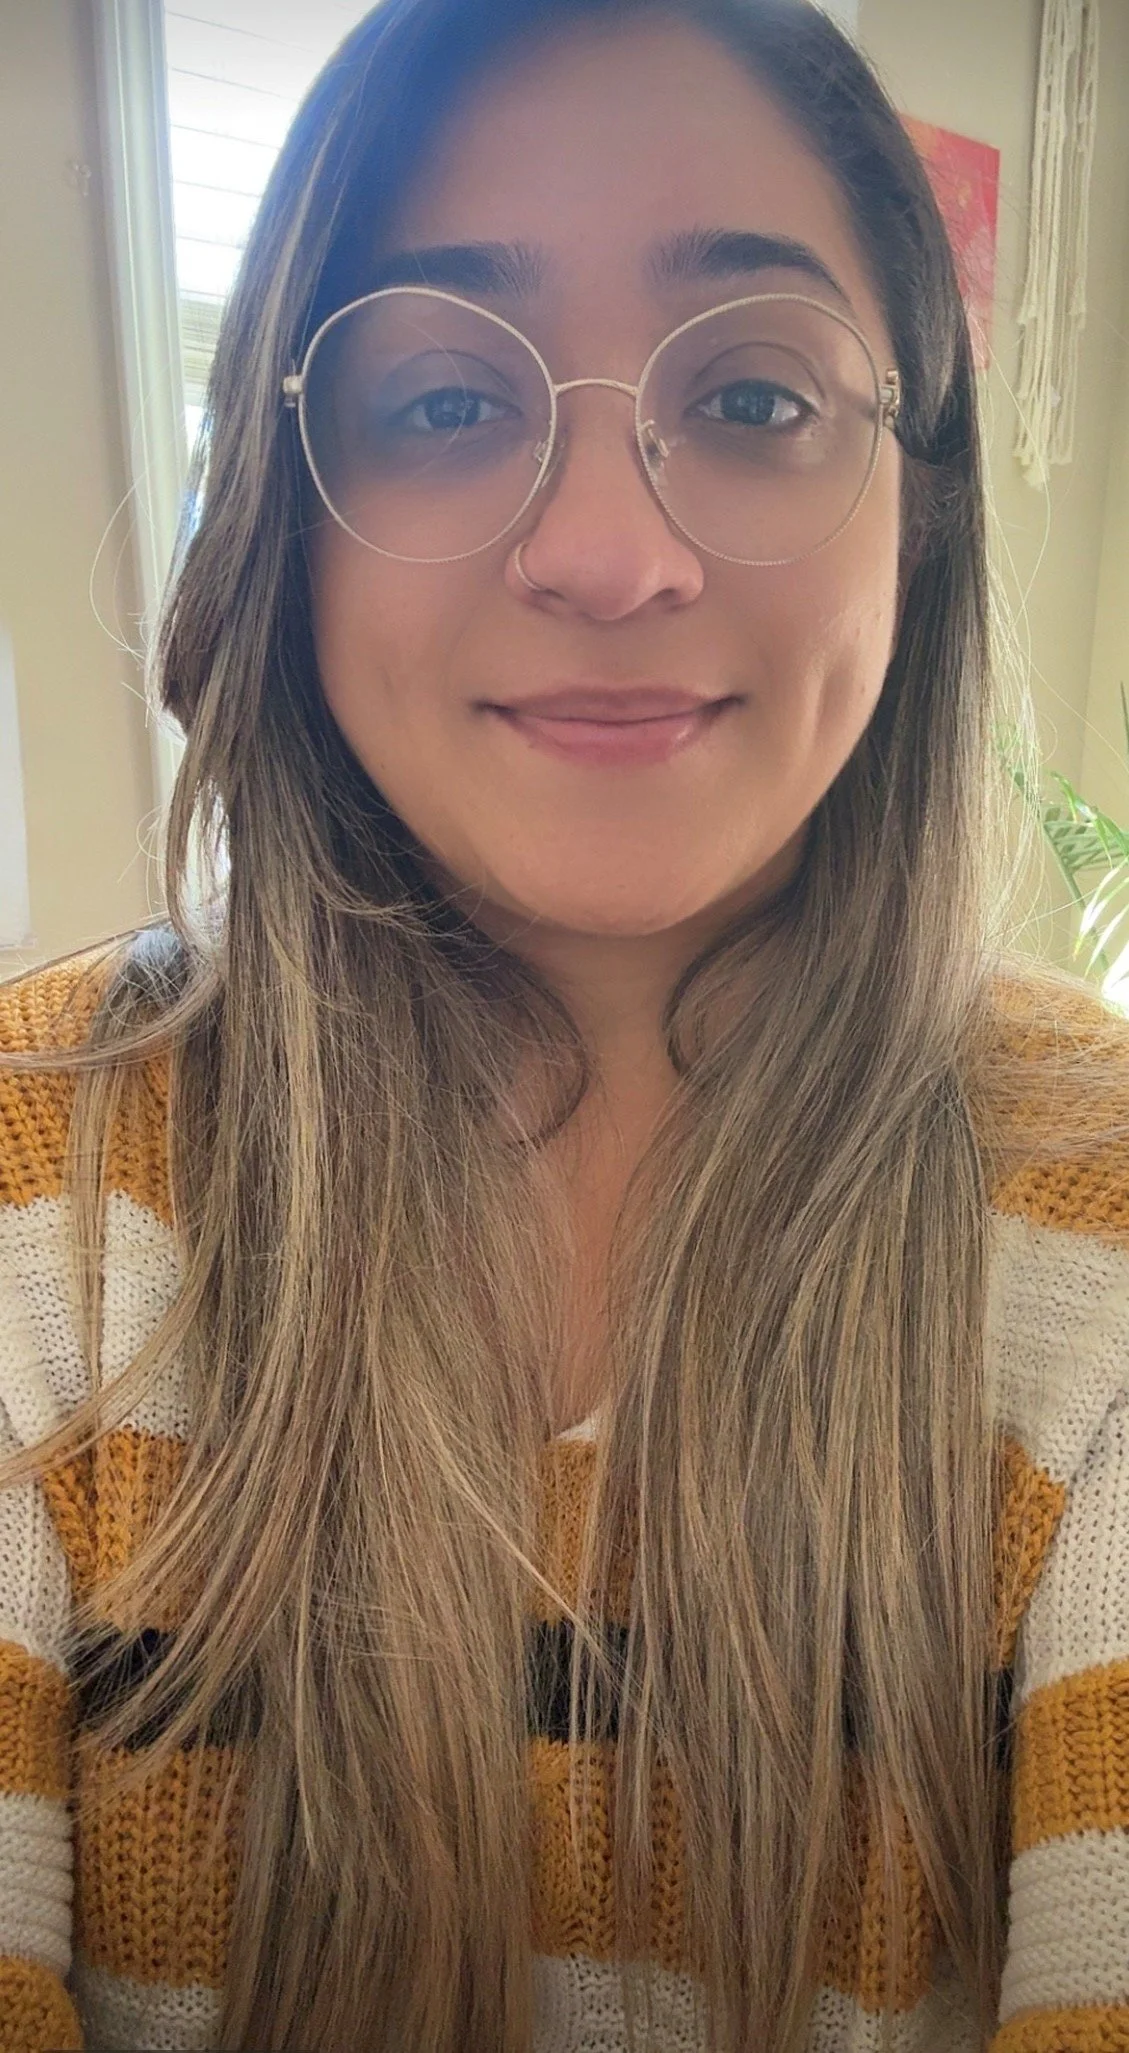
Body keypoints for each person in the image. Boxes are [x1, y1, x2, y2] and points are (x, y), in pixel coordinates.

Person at [1, 0, 1127, 2047]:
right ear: (287, 504)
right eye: (444, 401)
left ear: (924, 501)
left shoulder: (1104, 1212)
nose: (611, 556)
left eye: (758, 397)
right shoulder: (33, 1196)